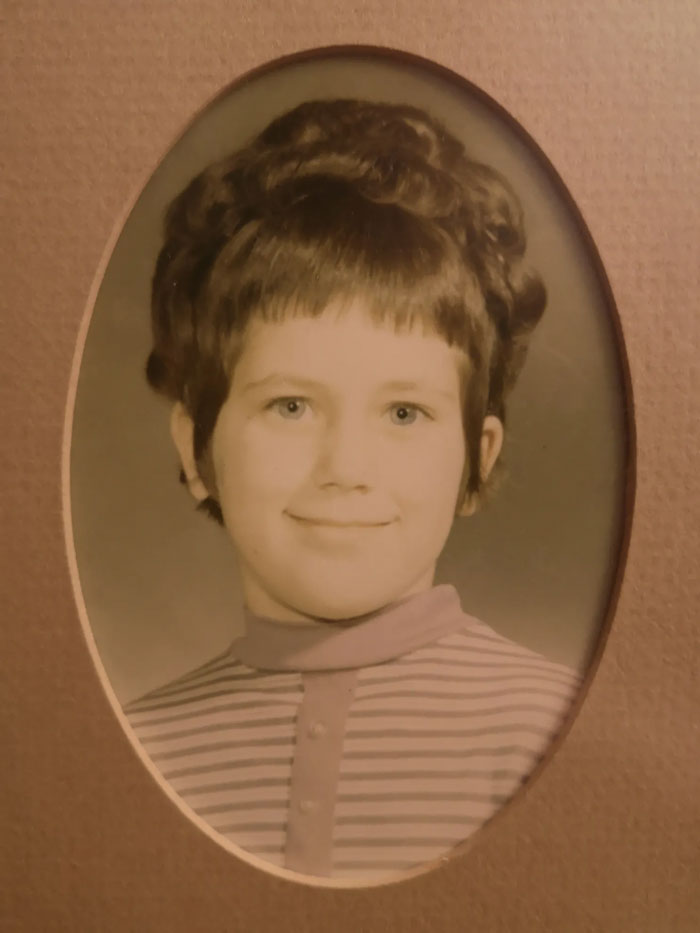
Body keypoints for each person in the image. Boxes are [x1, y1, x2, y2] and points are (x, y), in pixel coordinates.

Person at [123, 98, 581, 881]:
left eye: (404, 411)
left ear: (477, 457)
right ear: (196, 450)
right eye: (290, 405)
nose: (346, 465)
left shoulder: (562, 733)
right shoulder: (132, 750)